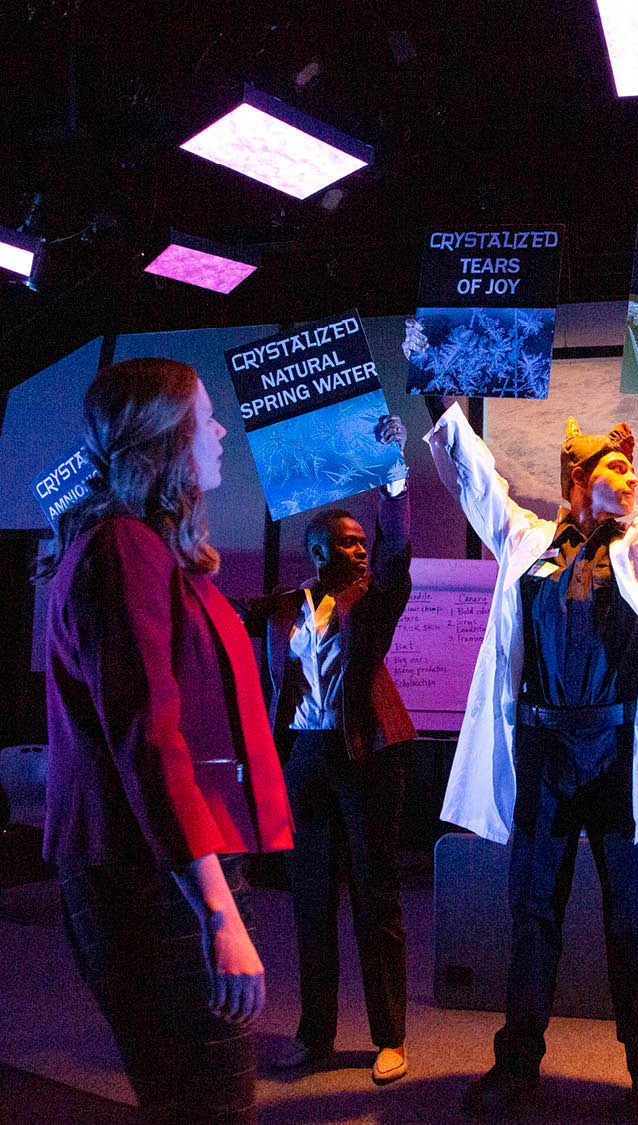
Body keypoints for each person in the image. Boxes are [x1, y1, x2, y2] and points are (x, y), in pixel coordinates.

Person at [409, 319, 638, 1123]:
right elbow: (473, 474)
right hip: (543, 751)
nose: (632, 477)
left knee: (634, 920)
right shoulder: (523, 541)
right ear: (577, 479)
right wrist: (437, 381)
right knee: (531, 916)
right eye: (616, 467)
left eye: (633, 467)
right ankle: (516, 1066)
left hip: (619, 753)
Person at [41, 358, 293, 1123]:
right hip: (153, 879)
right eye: (205, 418)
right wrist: (218, 912)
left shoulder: (141, 547)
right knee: (208, 1106)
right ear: (165, 437)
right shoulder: (122, 548)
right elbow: (149, 742)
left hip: (161, 870)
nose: (220, 431)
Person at [240, 418, 416, 1086]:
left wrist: (393, 482)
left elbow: (395, 557)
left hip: (366, 753)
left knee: (376, 897)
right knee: (312, 901)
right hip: (304, 758)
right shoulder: (284, 608)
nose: (361, 550)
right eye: (348, 542)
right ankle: (314, 1034)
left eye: (362, 540)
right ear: (318, 551)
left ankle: (389, 1037)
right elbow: (212, 613)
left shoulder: (373, 601)